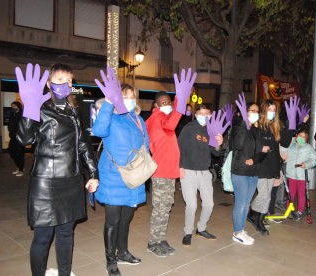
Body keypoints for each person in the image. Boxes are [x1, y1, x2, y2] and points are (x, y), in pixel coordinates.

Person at [16, 63, 99, 276]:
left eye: (69, 80)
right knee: (42, 236)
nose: (65, 84)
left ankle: (64, 273)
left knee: (65, 234)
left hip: (71, 180)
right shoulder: (41, 107)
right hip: (46, 181)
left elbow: (83, 144)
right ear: (48, 82)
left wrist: (93, 173)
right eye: (60, 79)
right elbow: (24, 138)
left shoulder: (72, 110)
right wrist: (30, 107)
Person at [92, 85, 147, 276]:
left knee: (126, 218)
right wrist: (108, 103)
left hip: (134, 176)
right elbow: (98, 130)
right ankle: (111, 260)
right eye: (125, 96)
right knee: (112, 220)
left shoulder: (138, 119)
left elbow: (145, 146)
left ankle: (123, 252)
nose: (130, 100)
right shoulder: (109, 116)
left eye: (133, 96)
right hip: (113, 176)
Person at [145, 69, 195, 257]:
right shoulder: (158, 118)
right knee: (161, 208)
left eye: (169, 102)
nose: (167, 105)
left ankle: (160, 238)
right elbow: (171, 123)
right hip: (162, 171)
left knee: (165, 207)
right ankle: (153, 242)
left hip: (166, 170)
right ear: (156, 105)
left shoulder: (158, 118)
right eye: (163, 103)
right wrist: (180, 101)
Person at [247, 99, 295, 235]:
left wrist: (291, 124)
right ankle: (257, 218)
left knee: (267, 195)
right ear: (264, 111)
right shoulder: (257, 126)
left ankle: (256, 216)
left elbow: (285, 142)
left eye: (274, 110)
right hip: (262, 163)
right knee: (264, 194)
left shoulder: (275, 126)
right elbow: (253, 143)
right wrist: (261, 148)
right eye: (270, 110)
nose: (272, 112)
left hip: (273, 163)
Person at [178, 104, 222, 246]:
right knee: (191, 205)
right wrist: (179, 166)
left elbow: (216, 153)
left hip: (204, 171)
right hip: (189, 170)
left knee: (209, 204)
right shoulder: (189, 128)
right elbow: (178, 147)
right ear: (196, 115)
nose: (204, 116)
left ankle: (201, 228)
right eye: (201, 113)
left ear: (211, 115)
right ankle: (188, 232)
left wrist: (218, 144)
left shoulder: (212, 130)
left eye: (206, 113)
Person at [231, 101, 268, 245]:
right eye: (251, 111)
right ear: (245, 113)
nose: (255, 114)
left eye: (257, 111)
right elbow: (238, 145)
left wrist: (254, 160)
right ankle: (237, 232)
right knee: (240, 204)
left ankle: (241, 229)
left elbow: (263, 152)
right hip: (240, 171)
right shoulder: (238, 128)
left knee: (246, 204)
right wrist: (243, 124)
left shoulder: (257, 131)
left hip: (253, 172)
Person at [282, 129, 316, 220]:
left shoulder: (308, 147)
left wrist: (306, 164)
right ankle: (289, 209)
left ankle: (300, 210)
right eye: (300, 135)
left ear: (306, 139)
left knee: (301, 194)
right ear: (296, 136)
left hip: (302, 175)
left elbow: (314, 159)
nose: (301, 138)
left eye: (303, 136)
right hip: (291, 174)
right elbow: (283, 149)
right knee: (290, 193)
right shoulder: (291, 146)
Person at [8, 101, 25, 176]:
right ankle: (19, 166)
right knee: (11, 152)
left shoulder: (22, 115)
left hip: (20, 136)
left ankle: (21, 169)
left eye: (14, 106)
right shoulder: (12, 114)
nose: (13, 108)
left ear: (18, 107)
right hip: (13, 136)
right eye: (12, 106)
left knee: (19, 153)